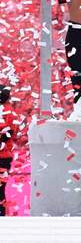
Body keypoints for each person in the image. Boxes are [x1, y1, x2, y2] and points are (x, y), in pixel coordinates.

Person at [0, 84, 12, 216]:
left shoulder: (7, 112)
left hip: (2, 156)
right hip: (5, 157)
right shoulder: (10, 111)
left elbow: (6, 135)